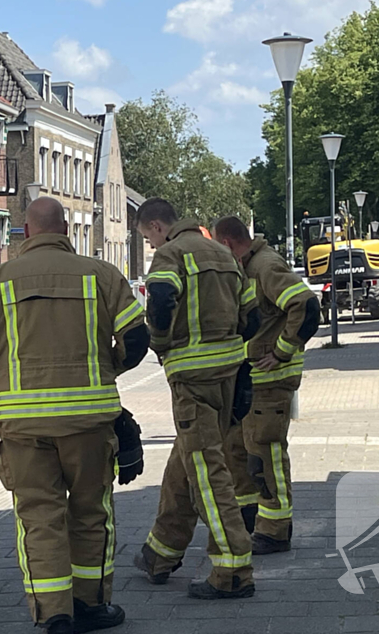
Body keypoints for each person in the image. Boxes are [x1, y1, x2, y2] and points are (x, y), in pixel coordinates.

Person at [0, 197, 150, 634]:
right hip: (88, 421)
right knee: (91, 512)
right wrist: (108, 368)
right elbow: (137, 339)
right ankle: (93, 606)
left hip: (22, 427)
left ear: (25, 229)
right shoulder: (101, 275)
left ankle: (53, 613)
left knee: (38, 517)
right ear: (65, 228)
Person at [130, 198, 259, 599]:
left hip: (192, 380)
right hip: (227, 377)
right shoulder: (223, 254)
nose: (150, 246)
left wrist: (163, 345)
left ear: (156, 226)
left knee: (206, 472)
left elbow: (163, 300)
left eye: (147, 238)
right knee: (187, 462)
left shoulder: (171, 254)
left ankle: (233, 568)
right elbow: (251, 318)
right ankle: (161, 552)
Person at [213, 216, 320, 554]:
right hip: (252, 383)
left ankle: (275, 530)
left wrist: (281, 351)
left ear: (228, 244)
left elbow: (305, 305)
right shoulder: (248, 267)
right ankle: (250, 519)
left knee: (265, 455)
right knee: (239, 453)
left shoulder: (265, 266)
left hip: (270, 382)